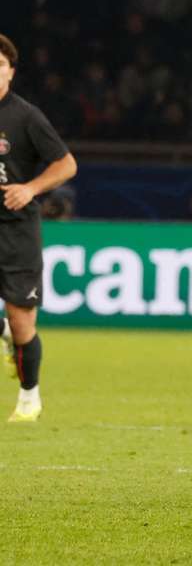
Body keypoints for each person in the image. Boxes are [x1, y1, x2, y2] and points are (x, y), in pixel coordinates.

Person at [0, 33, 77, 422]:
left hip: (16, 229)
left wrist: (29, 188)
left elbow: (66, 164)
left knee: (21, 319)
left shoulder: (26, 116)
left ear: (11, 72)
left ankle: (29, 396)